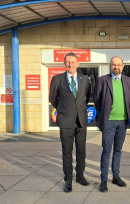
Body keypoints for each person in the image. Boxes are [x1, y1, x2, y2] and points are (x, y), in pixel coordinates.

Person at [49, 53, 91, 193]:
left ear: (78, 63)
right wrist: (64, 109)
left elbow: (87, 96)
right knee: (67, 152)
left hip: (81, 120)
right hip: (66, 120)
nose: (70, 64)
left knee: (81, 151)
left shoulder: (85, 79)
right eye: (67, 62)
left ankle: (80, 175)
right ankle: (68, 179)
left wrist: (78, 109)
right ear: (64, 63)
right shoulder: (57, 79)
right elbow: (53, 98)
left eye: (73, 62)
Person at [93, 56, 130, 192]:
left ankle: (116, 176)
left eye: (118, 65)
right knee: (106, 151)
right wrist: (102, 115)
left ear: (123, 66)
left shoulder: (128, 81)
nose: (116, 67)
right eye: (113, 65)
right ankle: (103, 179)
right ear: (110, 66)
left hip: (123, 122)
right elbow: (97, 100)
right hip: (109, 122)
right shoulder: (102, 80)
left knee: (118, 150)